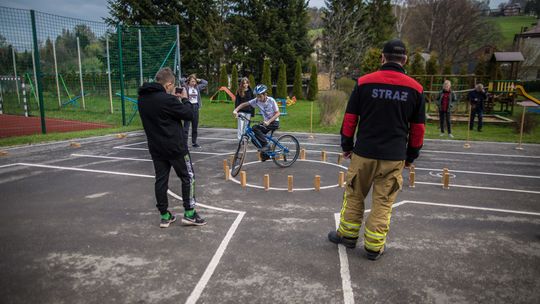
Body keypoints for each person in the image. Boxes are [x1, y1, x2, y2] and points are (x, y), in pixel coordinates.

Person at [327, 39, 425, 260]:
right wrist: (411, 156)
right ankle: (373, 247)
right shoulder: (416, 89)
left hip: (364, 153)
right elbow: (418, 129)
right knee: (383, 202)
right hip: (393, 157)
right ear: (405, 60)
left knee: (354, 195)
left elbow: (350, 119)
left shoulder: (364, 83)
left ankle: (349, 237)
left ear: (382, 58)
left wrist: (346, 145)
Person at [138, 67, 206, 228]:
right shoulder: (167, 100)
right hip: (175, 147)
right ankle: (189, 213)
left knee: (161, 180)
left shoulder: (142, 99)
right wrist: (184, 99)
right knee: (188, 177)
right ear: (168, 84)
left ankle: (164, 215)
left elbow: (164, 114)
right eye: (172, 86)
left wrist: (173, 101)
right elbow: (189, 114)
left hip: (156, 147)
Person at [232, 84, 280, 161]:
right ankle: (266, 154)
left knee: (255, 128)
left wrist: (268, 122)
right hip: (265, 122)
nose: (258, 98)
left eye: (260, 96)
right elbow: (244, 104)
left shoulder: (271, 100)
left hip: (273, 122)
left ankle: (267, 146)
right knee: (254, 138)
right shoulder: (257, 101)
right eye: (257, 96)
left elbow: (278, 113)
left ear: (265, 95)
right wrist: (236, 110)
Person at [182, 74, 208, 148]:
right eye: (192, 81)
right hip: (188, 107)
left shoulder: (197, 87)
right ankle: (184, 144)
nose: (194, 83)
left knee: (195, 126)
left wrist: (198, 79)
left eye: (195, 81)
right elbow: (181, 80)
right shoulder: (185, 87)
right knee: (186, 127)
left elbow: (205, 83)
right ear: (189, 81)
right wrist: (188, 78)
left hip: (195, 107)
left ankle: (194, 143)